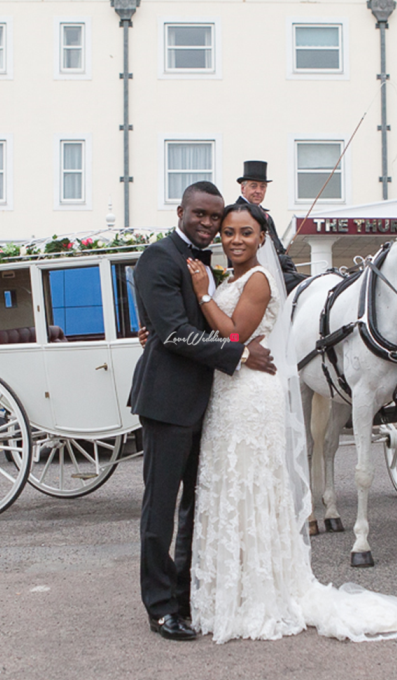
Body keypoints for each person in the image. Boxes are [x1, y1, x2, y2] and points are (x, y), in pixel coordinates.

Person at [184, 202, 397, 643]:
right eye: (228, 232)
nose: (234, 239)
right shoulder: (226, 277)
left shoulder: (257, 279)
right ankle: (236, 585)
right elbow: (220, 333)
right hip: (232, 391)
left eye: (245, 232)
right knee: (235, 487)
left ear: (263, 239)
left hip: (249, 392)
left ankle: (260, 588)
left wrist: (203, 296)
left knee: (252, 486)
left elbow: (234, 333)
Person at [129, 181, 276, 642]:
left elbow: (198, 322)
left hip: (210, 403)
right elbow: (173, 333)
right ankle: (159, 607)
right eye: (202, 216)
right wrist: (240, 354)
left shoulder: (212, 265)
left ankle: (186, 596)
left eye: (216, 218)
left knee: (198, 505)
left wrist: (233, 346)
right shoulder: (159, 257)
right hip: (169, 402)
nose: (210, 225)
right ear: (180, 211)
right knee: (160, 509)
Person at [236, 160, 307, 294]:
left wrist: (285, 258)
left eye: (263, 187)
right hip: (253, 275)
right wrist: (278, 260)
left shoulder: (267, 217)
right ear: (243, 188)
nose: (258, 191)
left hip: (276, 271)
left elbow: (278, 246)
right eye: (254, 186)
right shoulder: (238, 213)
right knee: (306, 284)